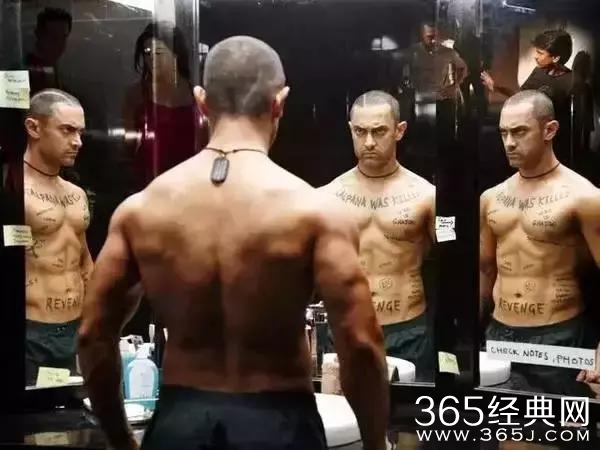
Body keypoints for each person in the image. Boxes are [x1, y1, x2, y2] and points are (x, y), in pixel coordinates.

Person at [78, 36, 389, 450]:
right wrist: (375, 444)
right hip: (280, 426)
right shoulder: (316, 212)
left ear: (201, 102)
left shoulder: (141, 210)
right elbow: (361, 345)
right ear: (280, 102)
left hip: (180, 425)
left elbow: (93, 337)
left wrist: (121, 440)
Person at [479, 90, 600, 396]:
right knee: (498, 420)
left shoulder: (584, 197)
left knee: (553, 423)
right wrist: (468, 330)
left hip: (557, 336)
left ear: (549, 130)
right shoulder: (491, 198)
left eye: (519, 132)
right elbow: (486, 269)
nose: (509, 142)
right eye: (504, 133)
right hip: (499, 334)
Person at [320, 90, 435, 380]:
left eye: (379, 131)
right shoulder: (327, 196)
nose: (369, 142)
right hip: (346, 327)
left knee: (408, 409)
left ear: (400, 130)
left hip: (408, 328)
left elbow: (449, 267)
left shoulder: (426, 196)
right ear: (350, 130)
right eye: (360, 132)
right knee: (346, 407)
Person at [23, 89, 92, 385]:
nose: (77, 141)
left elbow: (84, 260)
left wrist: (96, 323)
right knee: (28, 411)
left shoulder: (76, 195)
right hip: (30, 333)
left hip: (74, 331)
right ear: (34, 128)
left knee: (73, 408)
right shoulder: (12, 190)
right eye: (67, 130)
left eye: (80, 132)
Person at [123, 22, 207, 190]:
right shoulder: (137, 94)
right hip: (149, 179)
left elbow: (206, 140)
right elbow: (128, 145)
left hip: (190, 178)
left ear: (176, 53)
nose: (152, 59)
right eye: (147, 53)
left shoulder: (196, 92)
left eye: (159, 52)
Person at [481, 29, 574, 166]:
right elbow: (522, 96)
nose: (535, 56)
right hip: (535, 139)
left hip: (557, 143)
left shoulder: (570, 80)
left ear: (555, 58)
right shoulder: (538, 72)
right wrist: (496, 88)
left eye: (540, 53)